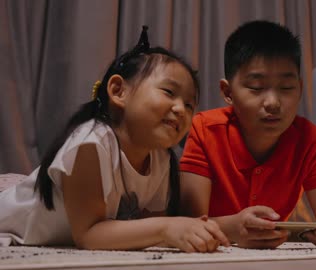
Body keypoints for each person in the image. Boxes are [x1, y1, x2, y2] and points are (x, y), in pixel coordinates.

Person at [0, 26, 229, 252]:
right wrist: (167, 228)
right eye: (169, 92)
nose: (181, 109)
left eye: (190, 104)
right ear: (119, 91)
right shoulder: (90, 143)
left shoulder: (160, 158)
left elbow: (145, 224)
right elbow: (89, 234)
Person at [179, 20, 316, 249]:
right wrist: (233, 228)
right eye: (256, 87)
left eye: (286, 88)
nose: (273, 103)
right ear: (228, 92)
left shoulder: (308, 139)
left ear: (300, 89)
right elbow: (187, 223)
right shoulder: (204, 130)